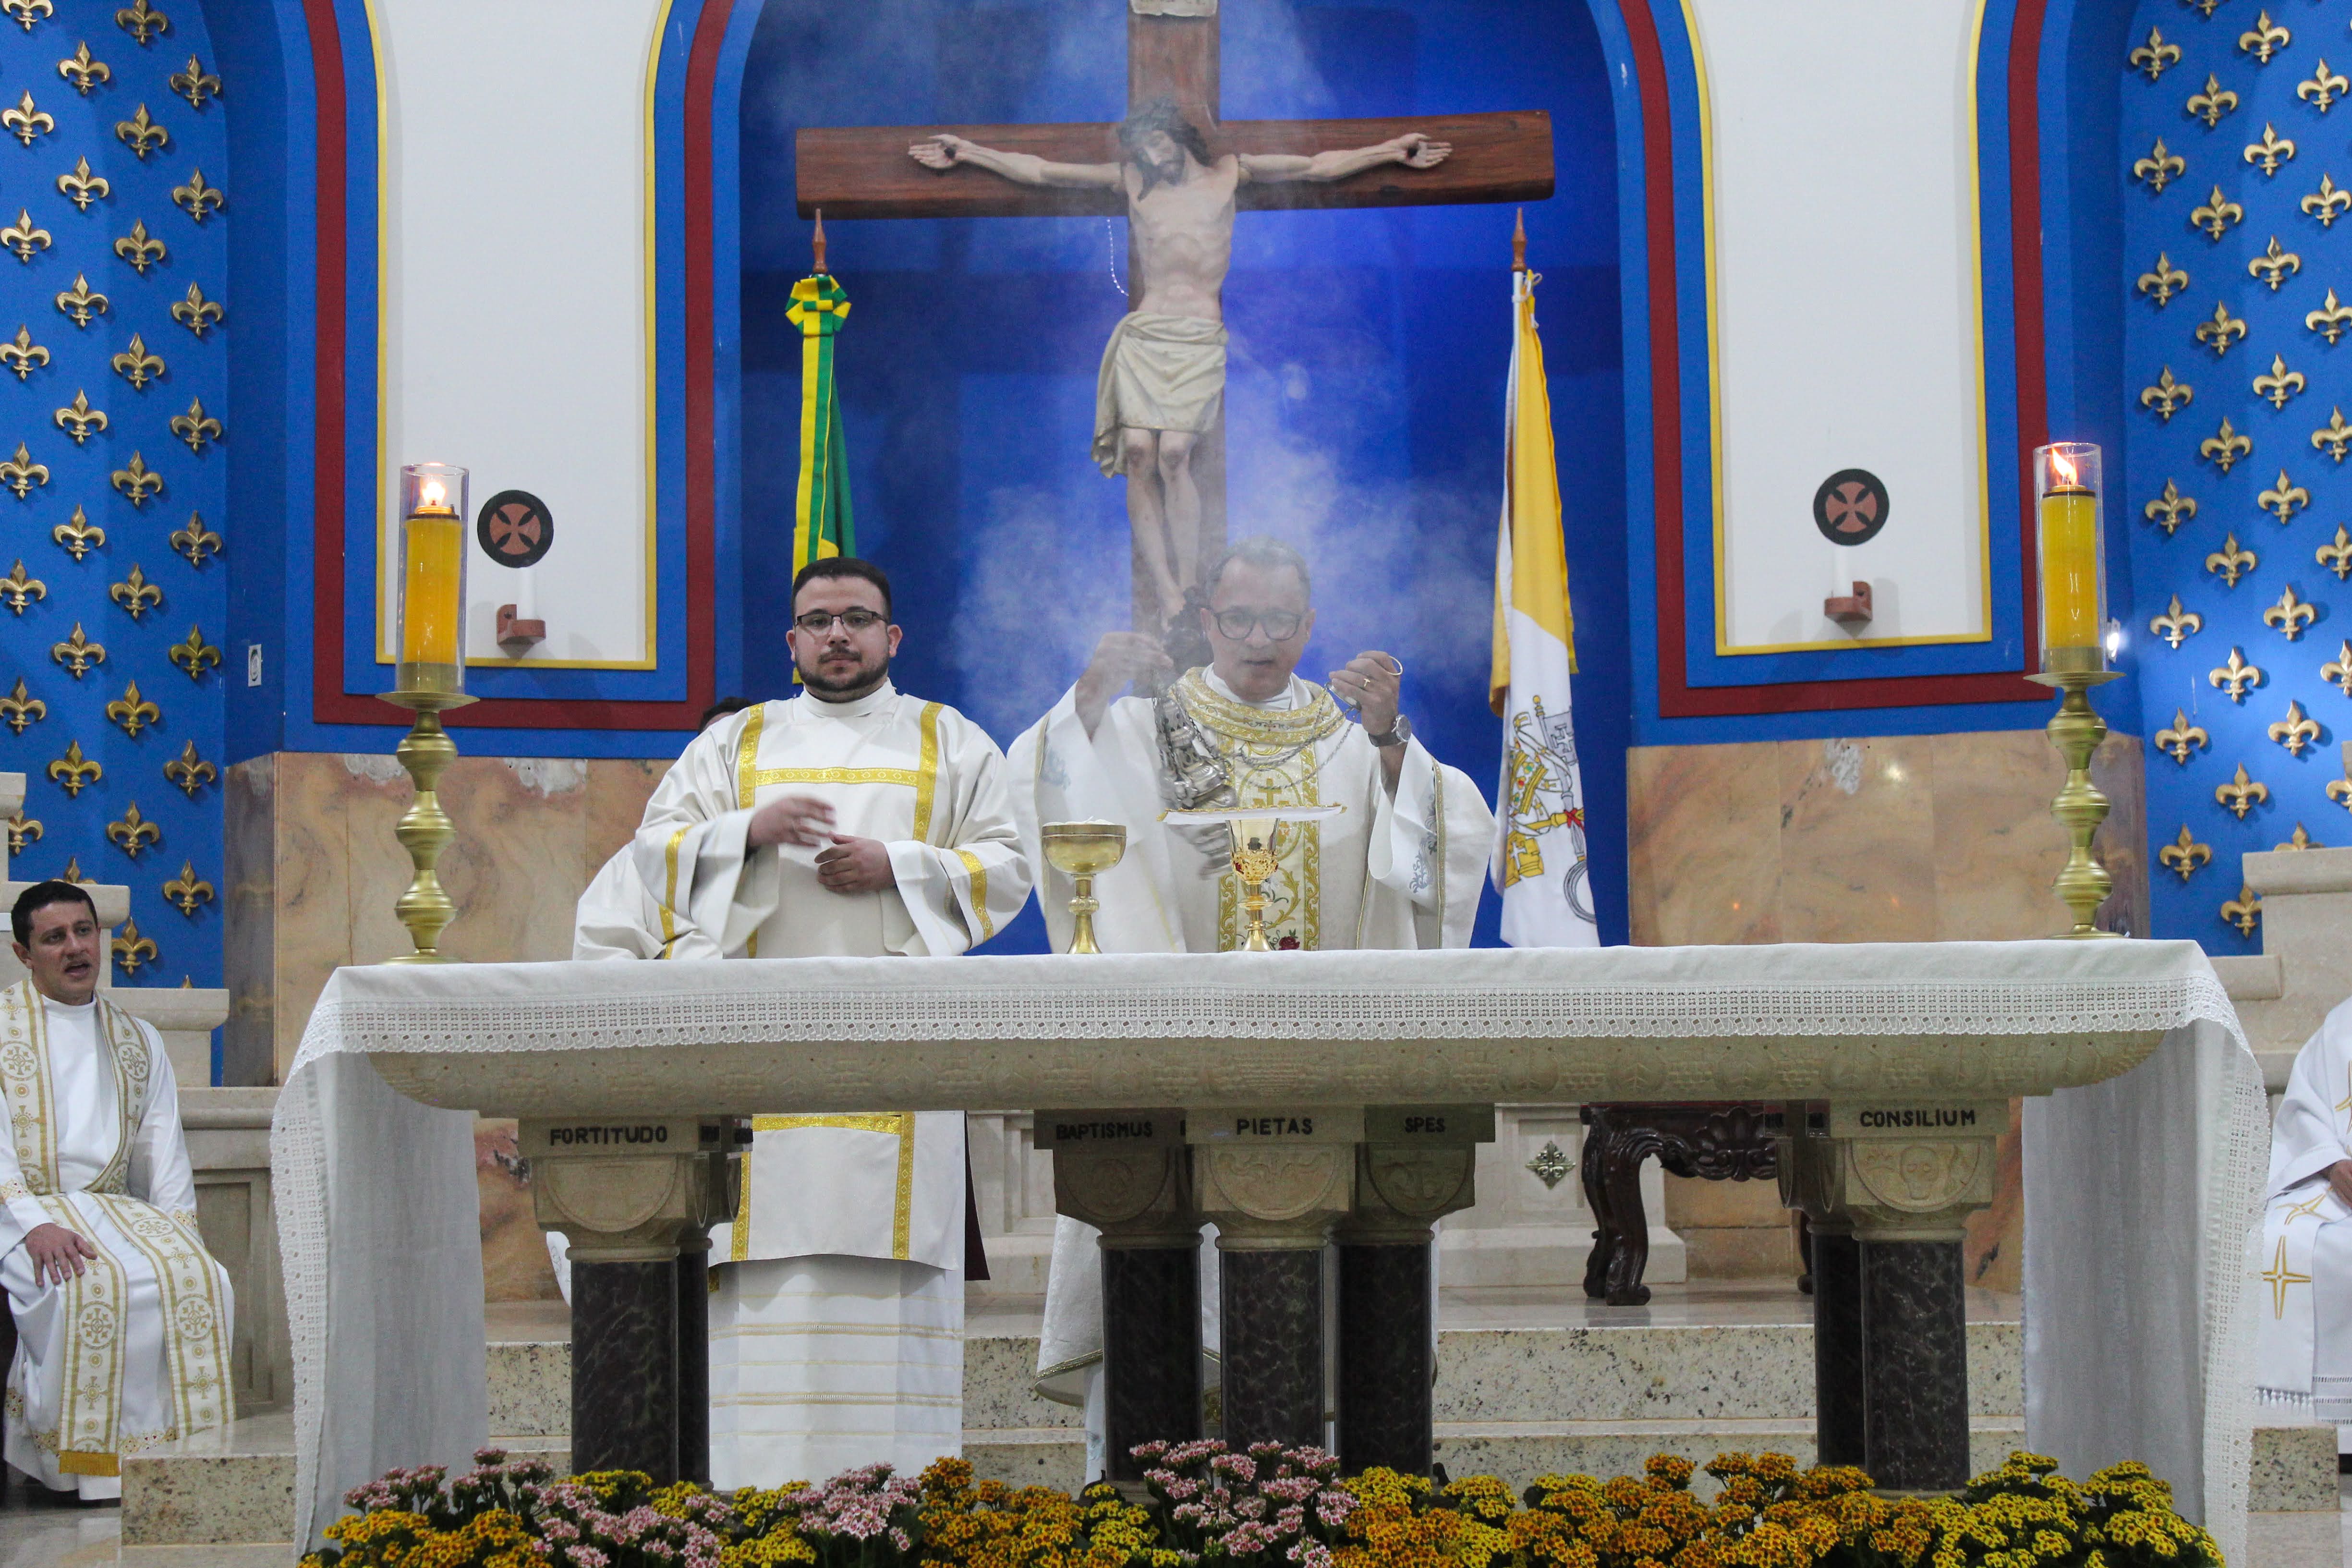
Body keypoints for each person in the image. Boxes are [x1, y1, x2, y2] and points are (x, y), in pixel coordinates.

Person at [1005, 535, 1491, 1471]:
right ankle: (1153, 1483)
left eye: (1279, 620)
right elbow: (1044, 781)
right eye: (1239, 618)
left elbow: (1446, 847)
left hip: (1319, 1075)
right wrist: (1090, 696)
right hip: (1175, 1064)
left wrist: (1392, 741)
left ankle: (1322, 1480)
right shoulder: (1150, 729)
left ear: (1309, 625)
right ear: (1206, 621)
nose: (1260, 639)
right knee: (1156, 1259)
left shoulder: (1349, 740)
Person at [591, 557, 1031, 1489]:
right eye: (819, 620)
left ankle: (899, 1517)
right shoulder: (735, 744)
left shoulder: (950, 740)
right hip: (756, 1089)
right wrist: (748, 834)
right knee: (761, 1331)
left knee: (890, 1324)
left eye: (857, 619)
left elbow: (1006, 865)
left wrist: (896, 865)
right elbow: (652, 851)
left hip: (900, 1088)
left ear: (891, 636)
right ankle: (758, 1516)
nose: (838, 635)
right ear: (791, 640)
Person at [911, 101, 1451, 630]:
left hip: (1197, 338)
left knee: (1174, 454)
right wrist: (971, 153)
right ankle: (1167, 591)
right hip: (1145, 335)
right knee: (1139, 453)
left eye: (1157, 142)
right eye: (1142, 149)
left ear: (1178, 136)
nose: (1151, 156)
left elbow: (1316, 167)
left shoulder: (1230, 174)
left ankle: (1190, 586)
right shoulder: (1132, 182)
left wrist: (1389, 152)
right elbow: (1043, 172)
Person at [0, 881, 232, 1500]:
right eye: (55, 937)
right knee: (85, 1285)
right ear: (24, 954)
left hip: (111, 1206)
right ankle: (80, 1473)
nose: (76, 948)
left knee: (200, 1276)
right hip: (25, 1211)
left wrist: (180, 1231)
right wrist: (30, 1226)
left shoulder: (138, 1038)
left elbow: (164, 1150)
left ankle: (180, 1460)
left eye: (85, 931)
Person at [571, 698, 757, 964]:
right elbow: (600, 953)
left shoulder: (793, 854)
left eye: (738, 751)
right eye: (712, 753)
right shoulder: (643, 857)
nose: (722, 765)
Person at [2255, 993, 2352, 1447]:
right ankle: (2296, 1424)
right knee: (2274, 1240)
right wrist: (2332, 1161)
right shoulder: (2343, 1023)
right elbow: (2304, 1108)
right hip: (2339, 1188)